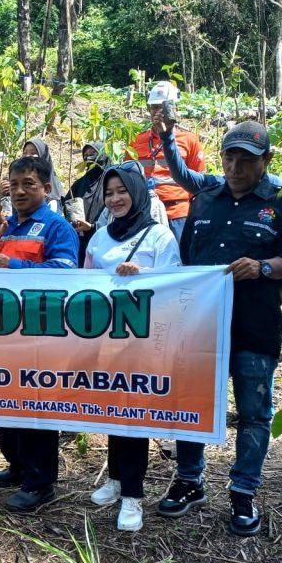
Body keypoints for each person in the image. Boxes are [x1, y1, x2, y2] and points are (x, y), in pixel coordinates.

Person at [154, 119, 282, 536]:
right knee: (191, 404)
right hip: (201, 327)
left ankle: (243, 490)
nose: (236, 167)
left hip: (255, 326)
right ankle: (190, 480)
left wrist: (262, 268)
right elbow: (186, 263)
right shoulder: (204, 201)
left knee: (254, 413)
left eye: (247, 160)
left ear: (266, 161)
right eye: (230, 157)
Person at [0, 155, 79, 512]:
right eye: (14, 185)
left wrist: (14, 265)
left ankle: (40, 482)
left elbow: (65, 272)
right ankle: (16, 466)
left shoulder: (56, 227)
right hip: (2, 332)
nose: (19, 191)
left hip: (39, 335)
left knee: (35, 405)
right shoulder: (6, 225)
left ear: (46, 189)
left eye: (28, 184)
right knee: (4, 401)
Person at [84, 165, 181, 531]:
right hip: (105, 340)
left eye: (122, 191)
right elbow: (86, 281)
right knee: (112, 412)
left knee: (134, 417)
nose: (115, 199)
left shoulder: (159, 237)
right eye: (109, 193)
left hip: (142, 342)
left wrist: (143, 277)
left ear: (138, 193)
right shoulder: (99, 237)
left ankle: (133, 496)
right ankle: (115, 479)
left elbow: (174, 285)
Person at [130, 81, 206, 240]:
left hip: (178, 214)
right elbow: (129, 179)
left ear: (174, 108)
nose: (158, 111)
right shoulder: (137, 140)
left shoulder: (189, 140)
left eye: (163, 106)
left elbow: (200, 183)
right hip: (146, 213)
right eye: (154, 107)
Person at [65, 141, 110, 262]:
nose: (89, 157)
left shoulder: (111, 182)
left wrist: (92, 226)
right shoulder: (79, 184)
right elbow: (66, 204)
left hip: (104, 239)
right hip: (80, 239)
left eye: (93, 153)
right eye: (86, 155)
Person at [0, 138, 64, 212]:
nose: (27, 156)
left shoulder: (53, 198)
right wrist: (3, 196)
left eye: (33, 153)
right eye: (24, 153)